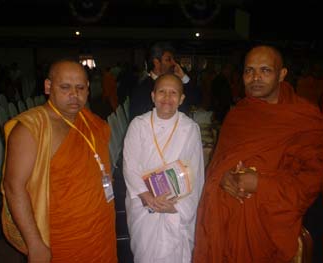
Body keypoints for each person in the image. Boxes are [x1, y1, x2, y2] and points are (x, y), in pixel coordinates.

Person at [193, 45, 323, 262]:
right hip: (228, 222)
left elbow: (312, 180)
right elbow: (217, 165)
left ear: (281, 74)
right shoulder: (238, 115)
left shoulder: (304, 117)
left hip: (271, 222)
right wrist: (223, 178)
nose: (255, 78)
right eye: (249, 71)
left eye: (265, 70)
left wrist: (261, 184)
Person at [1, 59, 117, 262]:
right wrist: (35, 243)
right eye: (65, 87)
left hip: (101, 230)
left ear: (88, 89)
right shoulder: (31, 129)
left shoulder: (90, 120)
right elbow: (13, 187)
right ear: (48, 87)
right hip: (63, 239)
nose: (74, 94)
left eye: (80, 87)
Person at [123, 73, 205, 263]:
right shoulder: (139, 125)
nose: (167, 98)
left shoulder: (190, 128)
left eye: (173, 93)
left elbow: (196, 172)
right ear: (153, 96)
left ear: (181, 98)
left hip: (176, 206)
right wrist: (147, 197)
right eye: (162, 92)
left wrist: (176, 207)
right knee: (145, 254)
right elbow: (130, 164)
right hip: (144, 205)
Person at [129, 42, 193, 121]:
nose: (174, 63)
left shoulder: (172, 83)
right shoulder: (143, 90)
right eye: (168, 60)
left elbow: (195, 99)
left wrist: (183, 77)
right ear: (156, 63)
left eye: (173, 59)